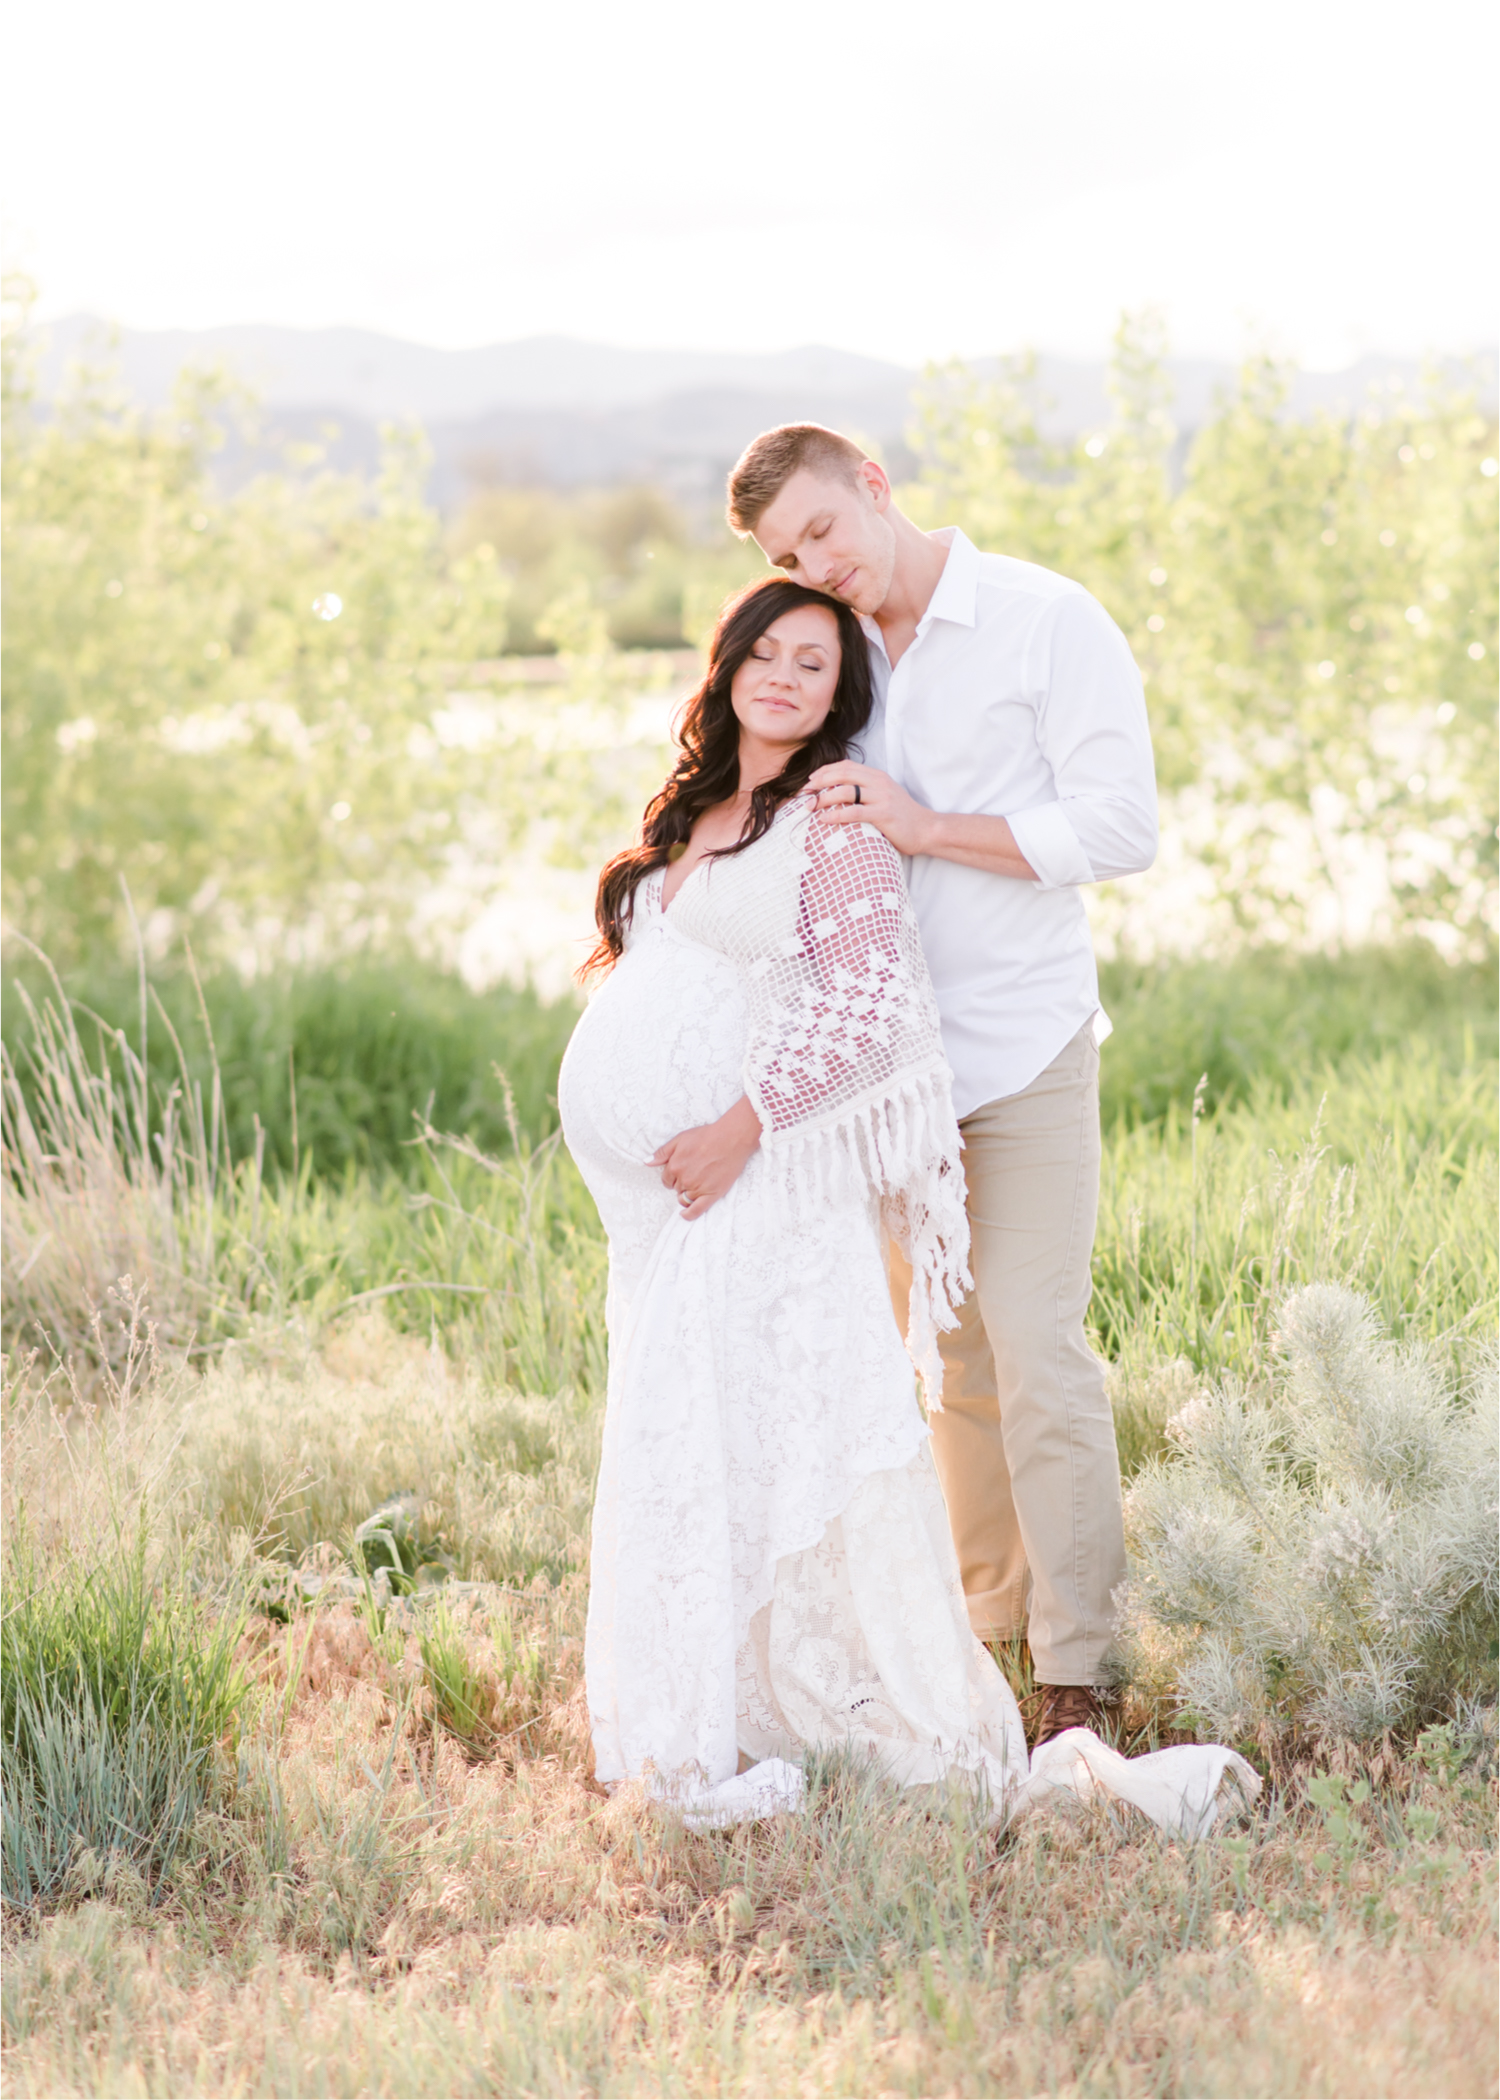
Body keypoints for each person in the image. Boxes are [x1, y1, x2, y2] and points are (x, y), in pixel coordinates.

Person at [559, 575, 1254, 1833]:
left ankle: (1035, 1686)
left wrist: (737, 1125)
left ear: (841, 699)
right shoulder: (684, 820)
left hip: (760, 1188)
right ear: (722, 668)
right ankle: (707, 1697)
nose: (782, 676)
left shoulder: (832, 823)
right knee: (697, 1444)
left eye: (813, 665)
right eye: (762, 652)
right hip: (669, 1225)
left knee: (808, 1432)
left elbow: (870, 1005)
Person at [724, 423, 1159, 1744]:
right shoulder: (832, 658)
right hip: (891, 1082)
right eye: (787, 554)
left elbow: (1119, 828)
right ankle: (990, 1644)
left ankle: (1082, 1665)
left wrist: (923, 829)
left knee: (1038, 1352)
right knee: (949, 1367)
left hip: (1021, 1052)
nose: (817, 564)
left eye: (823, 530)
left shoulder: (1043, 619)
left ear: (875, 484)